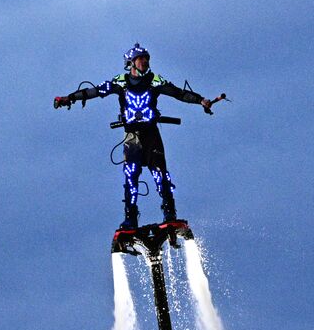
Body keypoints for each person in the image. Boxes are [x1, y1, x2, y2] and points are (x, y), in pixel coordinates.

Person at [54, 43, 216, 230]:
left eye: (146, 58)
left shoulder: (155, 80)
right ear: (131, 62)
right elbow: (96, 91)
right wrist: (70, 98)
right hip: (132, 136)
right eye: (140, 58)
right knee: (131, 175)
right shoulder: (120, 81)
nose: (145, 61)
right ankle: (130, 217)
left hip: (151, 134)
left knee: (160, 173)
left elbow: (178, 93)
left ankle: (169, 212)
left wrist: (201, 100)